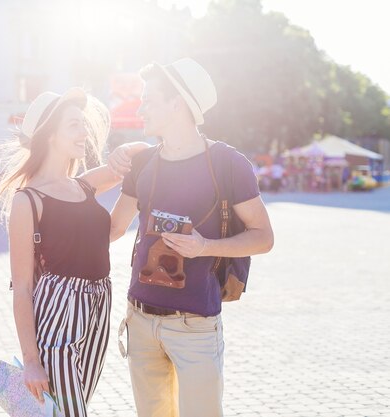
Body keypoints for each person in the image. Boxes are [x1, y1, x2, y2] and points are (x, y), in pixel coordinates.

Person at [109, 58, 274, 417]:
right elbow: (113, 228)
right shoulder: (142, 162)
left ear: (177, 103)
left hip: (195, 326)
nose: (140, 108)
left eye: (149, 99)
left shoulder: (229, 164)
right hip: (139, 318)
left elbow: (263, 237)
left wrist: (205, 246)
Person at [0, 87, 146, 417]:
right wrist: (30, 362)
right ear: (50, 135)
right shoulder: (27, 201)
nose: (85, 132)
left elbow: (113, 225)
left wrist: (125, 152)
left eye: (84, 124)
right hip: (59, 309)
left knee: (67, 410)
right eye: (74, 125)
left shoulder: (84, 185)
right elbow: (23, 288)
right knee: (70, 413)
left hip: (99, 306)